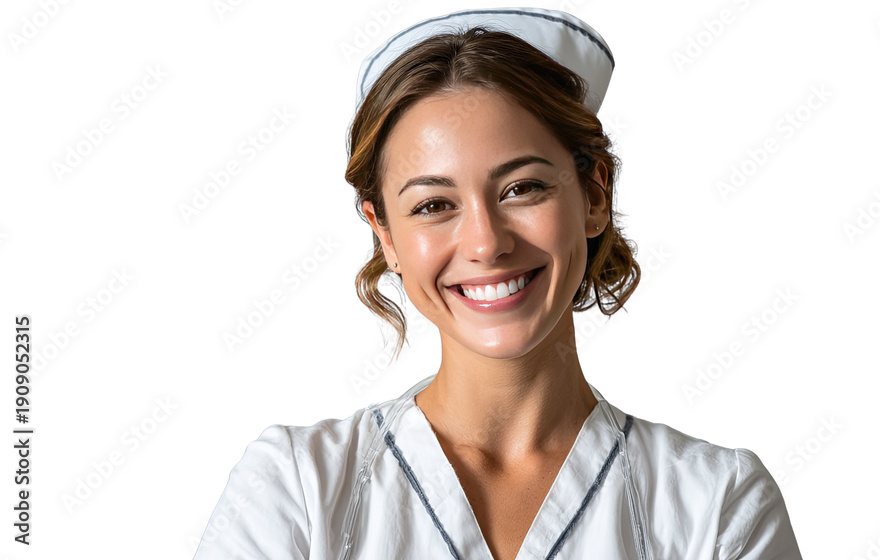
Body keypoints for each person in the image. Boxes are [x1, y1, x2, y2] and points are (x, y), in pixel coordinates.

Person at [192, 7, 802, 559]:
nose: (486, 243)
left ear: (594, 196)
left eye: (521, 188)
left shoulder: (717, 507)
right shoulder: (296, 490)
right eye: (434, 205)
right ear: (385, 235)